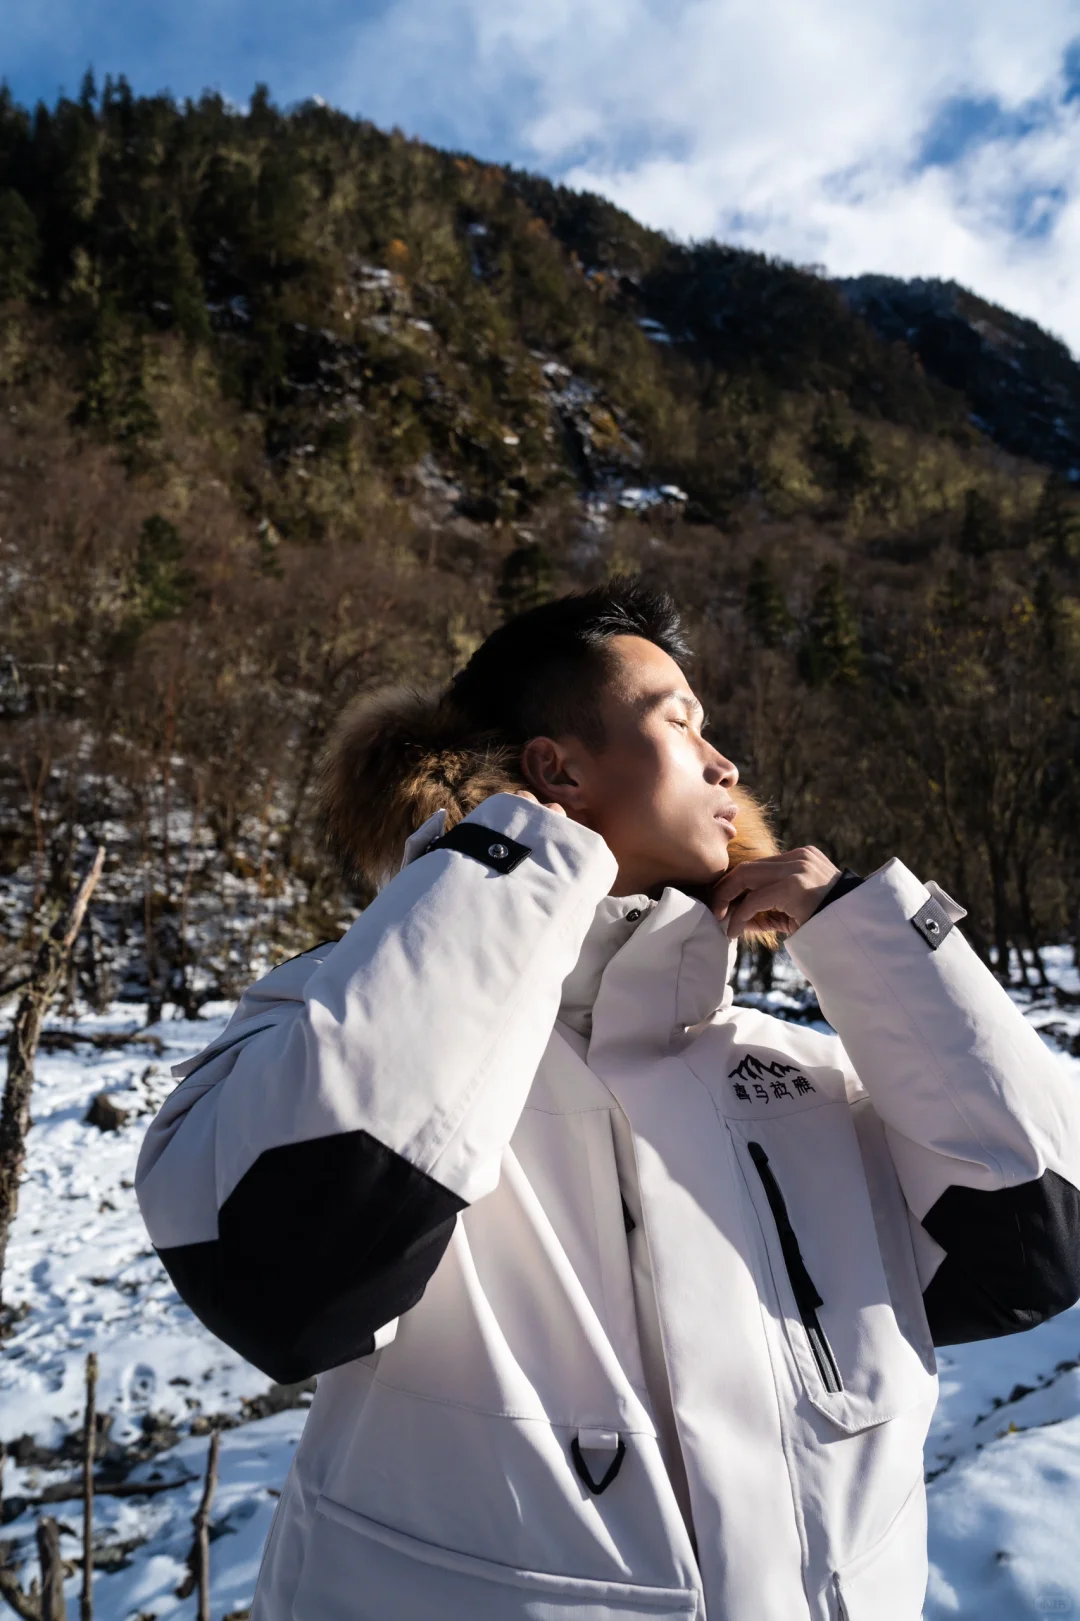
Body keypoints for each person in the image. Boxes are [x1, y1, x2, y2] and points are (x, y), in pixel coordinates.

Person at [136, 576, 1080, 1621]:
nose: (727, 764)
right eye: (680, 721)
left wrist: (869, 929)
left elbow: (1039, 1237)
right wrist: (511, 865)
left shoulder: (801, 1075)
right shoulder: (341, 1015)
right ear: (558, 770)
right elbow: (277, 1275)